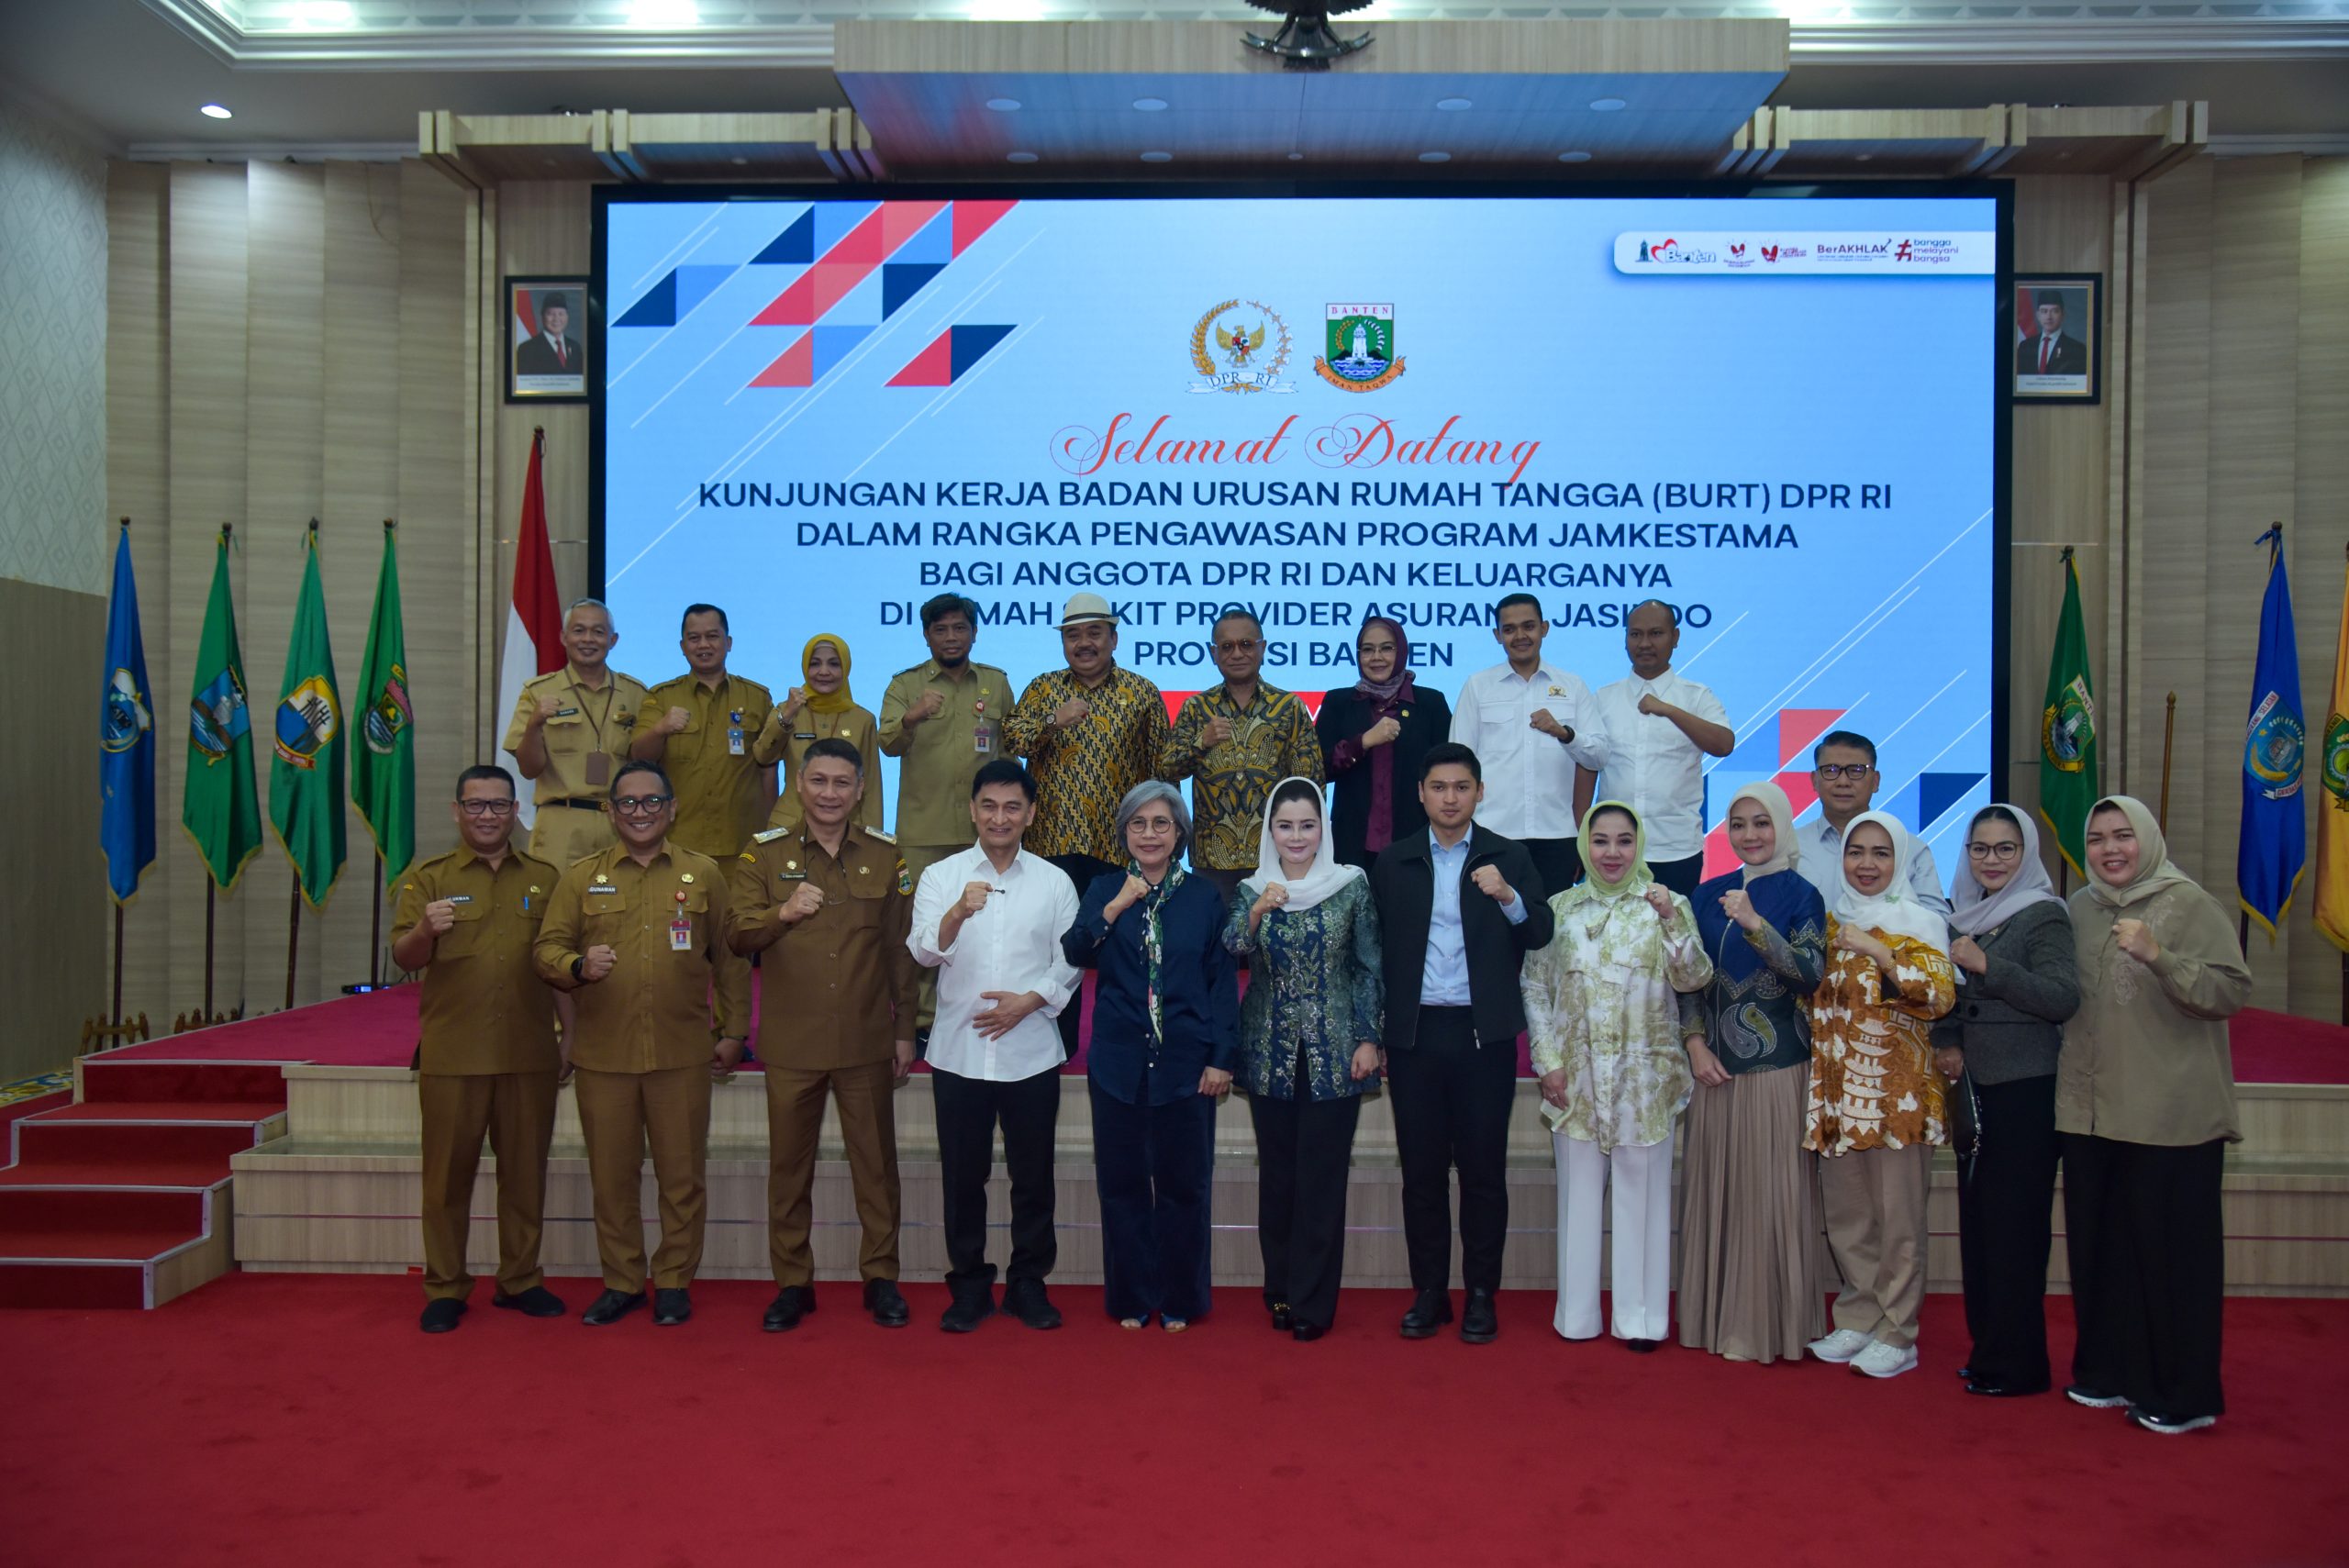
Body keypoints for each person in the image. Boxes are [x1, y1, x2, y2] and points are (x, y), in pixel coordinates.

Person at [534, 760, 750, 1328]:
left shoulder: (704, 875)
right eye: (627, 802)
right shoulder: (581, 878)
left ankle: (674, 1280)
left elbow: (729, 960)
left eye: (652, 801)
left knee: (682, 1178)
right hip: (605, 1056)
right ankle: (623, 1281)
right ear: (609, 811)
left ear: (672, 808)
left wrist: (733, 1031)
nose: (640, 812)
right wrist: (578, 965)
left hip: (681, 1053)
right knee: (612, 1178)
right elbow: (546, 951)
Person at [2058, 795, 2250, 1435]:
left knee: (2174, 1260)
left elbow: (2230, 990)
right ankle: (2112, 1370)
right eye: (2097, 838)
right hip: (2092, 1113)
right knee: (2104, 1252)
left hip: (2171, 1115)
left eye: (2122, 836)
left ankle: (2185, 1393)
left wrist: (2160, 955)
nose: (2110, 849)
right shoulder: (2081, 908)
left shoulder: (2189, 902)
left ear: (2147, 839)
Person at [728, 738, 918, 1333]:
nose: (830, 793)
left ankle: (881, 1276)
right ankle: (792, 1282)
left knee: (876, 1168)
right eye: (819, 781)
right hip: (793, 1043)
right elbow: (736, 936)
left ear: (860, 789)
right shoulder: (762, 856)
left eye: (842, 782)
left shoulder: (887, 857)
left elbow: (900, 952)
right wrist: (779, 914)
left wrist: (906, 1030)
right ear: (799, 785)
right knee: (789, 1168)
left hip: (865, 1039)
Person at [1370, 741, 1554, 1344]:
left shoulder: (1509, 856)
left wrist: (1507, 895)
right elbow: (1375, 956)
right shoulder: (1393, 860)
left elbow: (1539, 932)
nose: (1450, 798)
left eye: (1462, 787)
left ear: (1480, 792)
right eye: (1439, 787)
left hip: (1485, 1037)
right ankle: (1429, 1292)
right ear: (1421, 793)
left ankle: (1480, 1293)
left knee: (1482, 1173)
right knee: (1420, 1173)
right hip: (1416, 1035)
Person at [1521, 801, 1709, 1349]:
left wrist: (1673, 922)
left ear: (1640, 845)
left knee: (1643, 1197)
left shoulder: (1668, 904)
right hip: (1574, 1078)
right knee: (1578, 1201)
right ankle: (1576, 1317)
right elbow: (1534, 986)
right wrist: (1547, 1061)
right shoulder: (1561, 908)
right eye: (1600, 840)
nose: (1612, 852)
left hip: (1645, 1078)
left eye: (1624, 841)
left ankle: (1642, 1319)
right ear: (1585, 845)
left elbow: (1694, 976)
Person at [908, 759, 1084, 1333]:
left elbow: (1071, 961)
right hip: (958, 1053)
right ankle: (970, 1288)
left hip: (1031, 1050)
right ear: (972, 810)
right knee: (963, 1176)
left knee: (1033, 1177)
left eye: (1012, 807)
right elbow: (923, 953)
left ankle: (1028, 1284)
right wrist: (959, 910)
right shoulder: (941, 876)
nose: (999, 817)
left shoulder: (1055, 881)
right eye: (989, 806)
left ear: (1031, 814)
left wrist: (1029, 1002)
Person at [389, 765, 564, 1334]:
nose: (486, 816)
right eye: (475, 805)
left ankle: (520, 1280)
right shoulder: (428, 879)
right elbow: (405, 960)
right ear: (456, 810)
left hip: (528, 1052)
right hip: (454, 1054)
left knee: (525, 1175)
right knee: (446, 1181)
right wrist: (425, 932)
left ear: (516, 811)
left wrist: (574, 1038)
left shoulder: (546, 878)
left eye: (497, 806)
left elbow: (560, 963)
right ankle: (444, 1286)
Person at [1063, 781, 1239, 1331]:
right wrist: (1117, 906)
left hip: (1188, 1063)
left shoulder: (1205, 896)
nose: (1149, 834)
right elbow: (1074, 950)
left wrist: (1220, 1058)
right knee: (1122, 1185)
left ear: (1180, 832)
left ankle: (1182, 1299)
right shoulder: (1103, 889)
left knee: (1186, 1186)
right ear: (1124, 833)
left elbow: (1220, 985)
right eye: (1138, 824)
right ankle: (1132, 1298)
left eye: (1161, 823)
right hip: (1118, 1063)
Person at [1676, 781, 1831, 1364]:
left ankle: (1768, 1327)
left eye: (1761, 823)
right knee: (1720, 1194)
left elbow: (1809, 975)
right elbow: (1687, 981)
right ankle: (1713, 1320)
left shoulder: (1801, 894)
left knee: (1770, 1197)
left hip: (1776, 1070)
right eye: (1738, 824)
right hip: (1713, 1073)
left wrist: (1756, 926)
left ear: (1782, 827)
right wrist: (1693, 1043)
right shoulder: (1706, 893)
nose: (1750, 835)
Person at [1223, 776, 1384, 1341]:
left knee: (1321, 1180)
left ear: (1324, 830)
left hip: (1337, 1052)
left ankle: (1315, 1302)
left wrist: (1369, 1037)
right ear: (1270, 829)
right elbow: (1231, 949)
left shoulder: (1351, 885)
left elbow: (1367, 966)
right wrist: (1259, 910)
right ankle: (1281, 1291)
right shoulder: (1251, 890)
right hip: (1269, 1051)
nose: (1297, 837)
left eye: (1307, 825)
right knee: (1280, 1180)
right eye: (1285, 826)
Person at [1934, 804, 2080, 1398]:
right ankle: (1987, 1350)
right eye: (1980, 848)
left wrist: (1988, 964)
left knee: (2016, 1233)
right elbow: (1946, 998)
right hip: (1973, 1090)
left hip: (2024, 1089)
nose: (1990, 860)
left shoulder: (2043, 914)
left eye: (2004, 849)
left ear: (2026, 855)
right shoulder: (1956, 914)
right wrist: (1945, 1042)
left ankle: (2020, 1365)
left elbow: (2061, 996)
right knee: (1981, 1229)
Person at [1805, 810, 1955, 1380]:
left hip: (1900, 1100)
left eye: (1880, 854)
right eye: (1856, 853)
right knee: (1848, 1216)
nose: (1866, 865)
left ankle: (1899, 1330)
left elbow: (1938, 997)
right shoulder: (1830, 922)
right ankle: (1859, 1315)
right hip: (1840, 1096)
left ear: (1900, 862)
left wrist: (1881, 952)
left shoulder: (1917, 920)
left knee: (1898, 1220)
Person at [1003, 592, 1173, 1061]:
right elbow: (1012, 737)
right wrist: (1052, 722)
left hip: (1116, 848)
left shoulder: (1140, 692)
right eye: (1073, 635)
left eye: (1094, 633)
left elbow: (1164, 769)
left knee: (1119, 947)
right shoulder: (1042, 689)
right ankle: (1050, 1045)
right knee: (1051, 948)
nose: (1084, 643)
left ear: (1113, 638)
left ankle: (1122, 1045)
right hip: (1048, 846)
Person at [877, 593, 1019, 1042]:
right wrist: (913, 717)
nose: (952, 637)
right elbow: (887, 743)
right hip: (924, 830)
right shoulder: (905, 686)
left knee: (988, 926)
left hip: (986, 832)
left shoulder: (995, 683)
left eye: (960, 628)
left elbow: (1010, 752)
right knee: (923, 929)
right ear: (926, 635)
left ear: (974, 633)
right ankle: (921, 1021)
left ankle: (977, 1012)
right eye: (941, 629)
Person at [1449, 594, 1609, 894]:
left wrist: (1566, 734)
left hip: (1557, 836)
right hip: (1492, 834)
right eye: (1509, 629)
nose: (1520, 636)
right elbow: (1459, 764)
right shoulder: (1478, 686)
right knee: (1492, 934)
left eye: (1529, 626)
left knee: (1551, 931)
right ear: (1497, 635)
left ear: (1544, 628)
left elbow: (1599, 754)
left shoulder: (1572, 686)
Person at [1161, 609, 1324, 901]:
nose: (1237, 653)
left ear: (1262, 648)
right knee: (1214, 943)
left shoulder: (1289, 707)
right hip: (1213, 860)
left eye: (1246, 644)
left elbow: (1312, 785)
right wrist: (1202, 741)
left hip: (1276, 856)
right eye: (1227, 646)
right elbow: (1167, 769)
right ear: (1213, 654)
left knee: (1272, 946)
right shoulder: (1196, 708)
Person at [1592, 600, 1733, 896]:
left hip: (1677, 849)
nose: (1644, 643)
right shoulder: (1603, 698)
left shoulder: (1696, 696)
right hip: (1613, 853)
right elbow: (1587, 767)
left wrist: (1669, 710)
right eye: (1635, 634)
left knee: (1674, 939)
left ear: (1676, 637)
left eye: (1656, 633)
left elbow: (1724, 744)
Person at [504, 598, 651, 869]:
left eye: (598, 632)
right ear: (563, 637)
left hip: (620, 823)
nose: (588, 639)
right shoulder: (537, 692)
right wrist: (535, 723)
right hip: (562, 822)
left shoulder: (636, 694)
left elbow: (647, 761)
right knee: (557, 906)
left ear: (613, 639)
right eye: (579, 630)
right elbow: (528, 768)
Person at [632, 604, 774, 862]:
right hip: (679, 841)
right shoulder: (661, 697)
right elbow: (640, 757)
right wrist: (660, 729)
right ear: (683, 647)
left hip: (742, 842)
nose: (703, 645)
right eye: (694, 638)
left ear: (728, 642)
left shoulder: (757, 698)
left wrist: (769, 833)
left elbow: (768, 770)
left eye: (712, 636)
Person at [1316, 616, 1452, 872]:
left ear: (1401, 652)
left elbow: (1447, 771)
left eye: (1387, 648)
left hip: (1418, 840)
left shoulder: (1430, 703)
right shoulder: (1338, 702)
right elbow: (1318, 769)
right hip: (1352, 844)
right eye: (1368, 649)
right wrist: (1363, 742)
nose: (1376, 657)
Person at [1795, 730, 1950, 915]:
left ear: (1875, 781)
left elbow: (1937, 921)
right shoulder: (1791, 848)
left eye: (1856, 771)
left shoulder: (1912, 850)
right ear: (1814, 781)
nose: (1843, 781)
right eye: (1831, 770)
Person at [2016, 291, 2088, 377]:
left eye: (2054, 311)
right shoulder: (2025, 346)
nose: (2049, 317)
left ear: (2063, 315)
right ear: (2038, 315)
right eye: (2044, 311)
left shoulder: (2077, 349)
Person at [516, 293, 582, 377]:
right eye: (550, 314)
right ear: (542, 317)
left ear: (567, 317)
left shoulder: (575, 347)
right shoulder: (527, 349)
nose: (556, 319)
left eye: (561, 314)